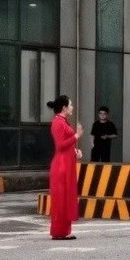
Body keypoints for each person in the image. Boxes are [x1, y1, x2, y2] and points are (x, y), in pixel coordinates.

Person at [48, 95, 83, 240]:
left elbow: (66, 145)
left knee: (65, 197)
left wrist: (75, 151)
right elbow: (60, 146)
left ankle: (63, 231)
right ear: (64, 107)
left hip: (66, 163)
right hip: (61, 166)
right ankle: (58, 232)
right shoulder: (58, 123)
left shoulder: (62, 122)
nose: (72, 107)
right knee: (61, 198)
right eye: (70, 105)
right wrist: (76, 136)